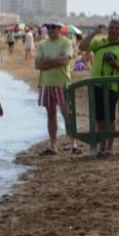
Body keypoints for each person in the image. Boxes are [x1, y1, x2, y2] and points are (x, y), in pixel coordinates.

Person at [78, 19, 119, 156]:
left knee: (110, 118)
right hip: (96, 85)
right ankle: (102, 146)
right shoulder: (99, 42)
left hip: (112, 86)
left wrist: (116, 65)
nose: (114, 30)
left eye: (117, 28)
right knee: (99, 118)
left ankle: (109, 147)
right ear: (108, 29)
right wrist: (94, 33)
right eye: (112, 28)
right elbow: (82, 47)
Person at [34, 21, 75, 155]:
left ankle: (73, 143)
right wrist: (55, 61)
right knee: (50, 114)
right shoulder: (41, 44)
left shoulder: (66, 42)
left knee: (66, 112)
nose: (50, 29)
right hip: (46, 83)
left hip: (62, 82)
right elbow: (38, 65)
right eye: (48, 27)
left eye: (53, 27)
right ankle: (53, 144)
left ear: (59, 28)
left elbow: (65, 60)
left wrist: (47, 61)